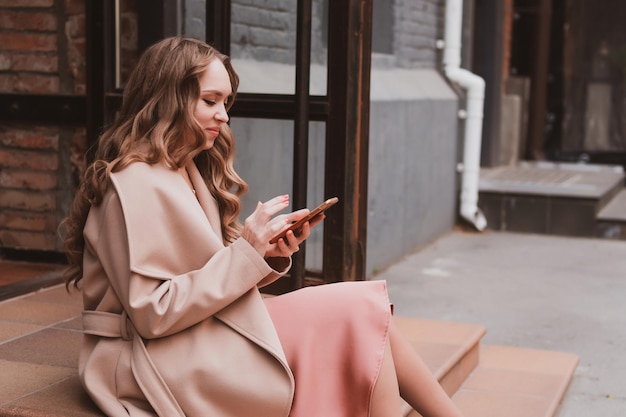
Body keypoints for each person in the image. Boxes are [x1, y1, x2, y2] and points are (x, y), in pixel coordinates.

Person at [61, 36, 464, 417]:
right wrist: (246, 254)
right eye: (210, 100)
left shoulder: (184, 170)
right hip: (153, 356)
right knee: (358, 311)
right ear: (169, 99)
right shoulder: (133, 184)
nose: (223, 114)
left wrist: (265, 252)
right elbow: (153, 313)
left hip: (195, 331)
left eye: (226, 101)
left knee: (369, 316)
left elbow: (199, 278)